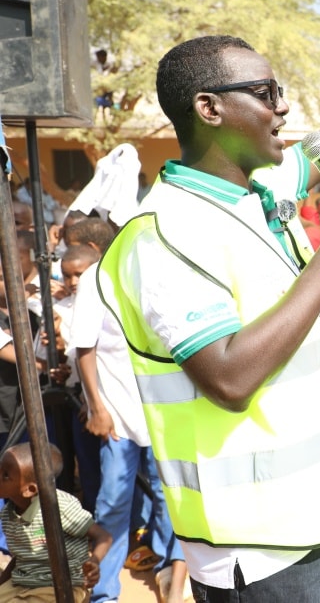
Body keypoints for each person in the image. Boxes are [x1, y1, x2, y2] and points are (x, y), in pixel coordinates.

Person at [96, 0, 320, 600]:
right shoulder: (162, 235)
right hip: (258, 549)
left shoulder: (263, 189)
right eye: (267, 93)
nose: (284, 107)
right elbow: (230, 377)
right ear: (209, 108)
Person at [71, 220, 188, 602]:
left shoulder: (162, 270)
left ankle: (170, 571)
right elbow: (84, 348)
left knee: (169, 497)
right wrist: (96, 407)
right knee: (113, 503)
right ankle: (104, 592)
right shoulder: (95, 279)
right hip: (118, 417)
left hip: (162, 415)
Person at [0, 443, 112, 603]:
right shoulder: (8, 514)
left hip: (59, 586)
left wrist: (94, 562)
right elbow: (20, 557)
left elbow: (104, 537)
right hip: (23, 582)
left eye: (5, 475)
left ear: (29, 490)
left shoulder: (58, 506)